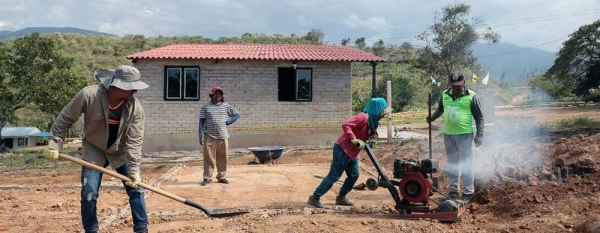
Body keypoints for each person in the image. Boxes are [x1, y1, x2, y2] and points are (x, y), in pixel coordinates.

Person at [43, 65, 150, 233]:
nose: (135, 90)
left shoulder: (135, 108)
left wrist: (134, 168)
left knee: (136, 190)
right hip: (94, 149)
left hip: (121, 152)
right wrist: (55, 143)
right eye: (132, 86)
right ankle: (91, 230)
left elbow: (135, 141)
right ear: (118, 85)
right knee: (89, 193)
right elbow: (66, 118)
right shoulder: (89, 95)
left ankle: (142, 229)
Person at [307, 98, 391, 208]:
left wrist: (368, 143)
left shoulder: (372, 121)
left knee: (354, 175)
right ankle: (314, 198)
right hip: (343, 149)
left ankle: (341, 197)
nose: (383, 115)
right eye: (382, 112)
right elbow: (346, 124)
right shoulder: (363, 117)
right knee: (334, 176)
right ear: (377, 109)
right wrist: (354, 139)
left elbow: (363, 135)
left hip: (352, 152)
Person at [426, 72, 484, 203]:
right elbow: (440, 109)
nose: (456, 88)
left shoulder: (471, 96)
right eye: (453, 85)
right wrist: (432, 117)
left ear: (464, 83)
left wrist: (479, 135)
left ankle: (468, 192)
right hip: (449, 135)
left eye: (458, 85)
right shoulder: (445, 95)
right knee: (452, 163)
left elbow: (479, 117)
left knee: (467, 164)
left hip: (465, 135)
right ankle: (453, 191)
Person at [199, 86, 240, 186]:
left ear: (222, 96)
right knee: (209, 158)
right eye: (216, 93)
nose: (218, 95)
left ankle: (221, 176)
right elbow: (201, 122)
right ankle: (207, 178)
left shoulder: (226, 106)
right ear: (211, 95)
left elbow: (236, 115)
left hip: (223, 136)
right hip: (209, 136)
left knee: (223, 157)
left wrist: (227, 122)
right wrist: (201, 135)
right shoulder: (205, 107)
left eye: (220, 94)